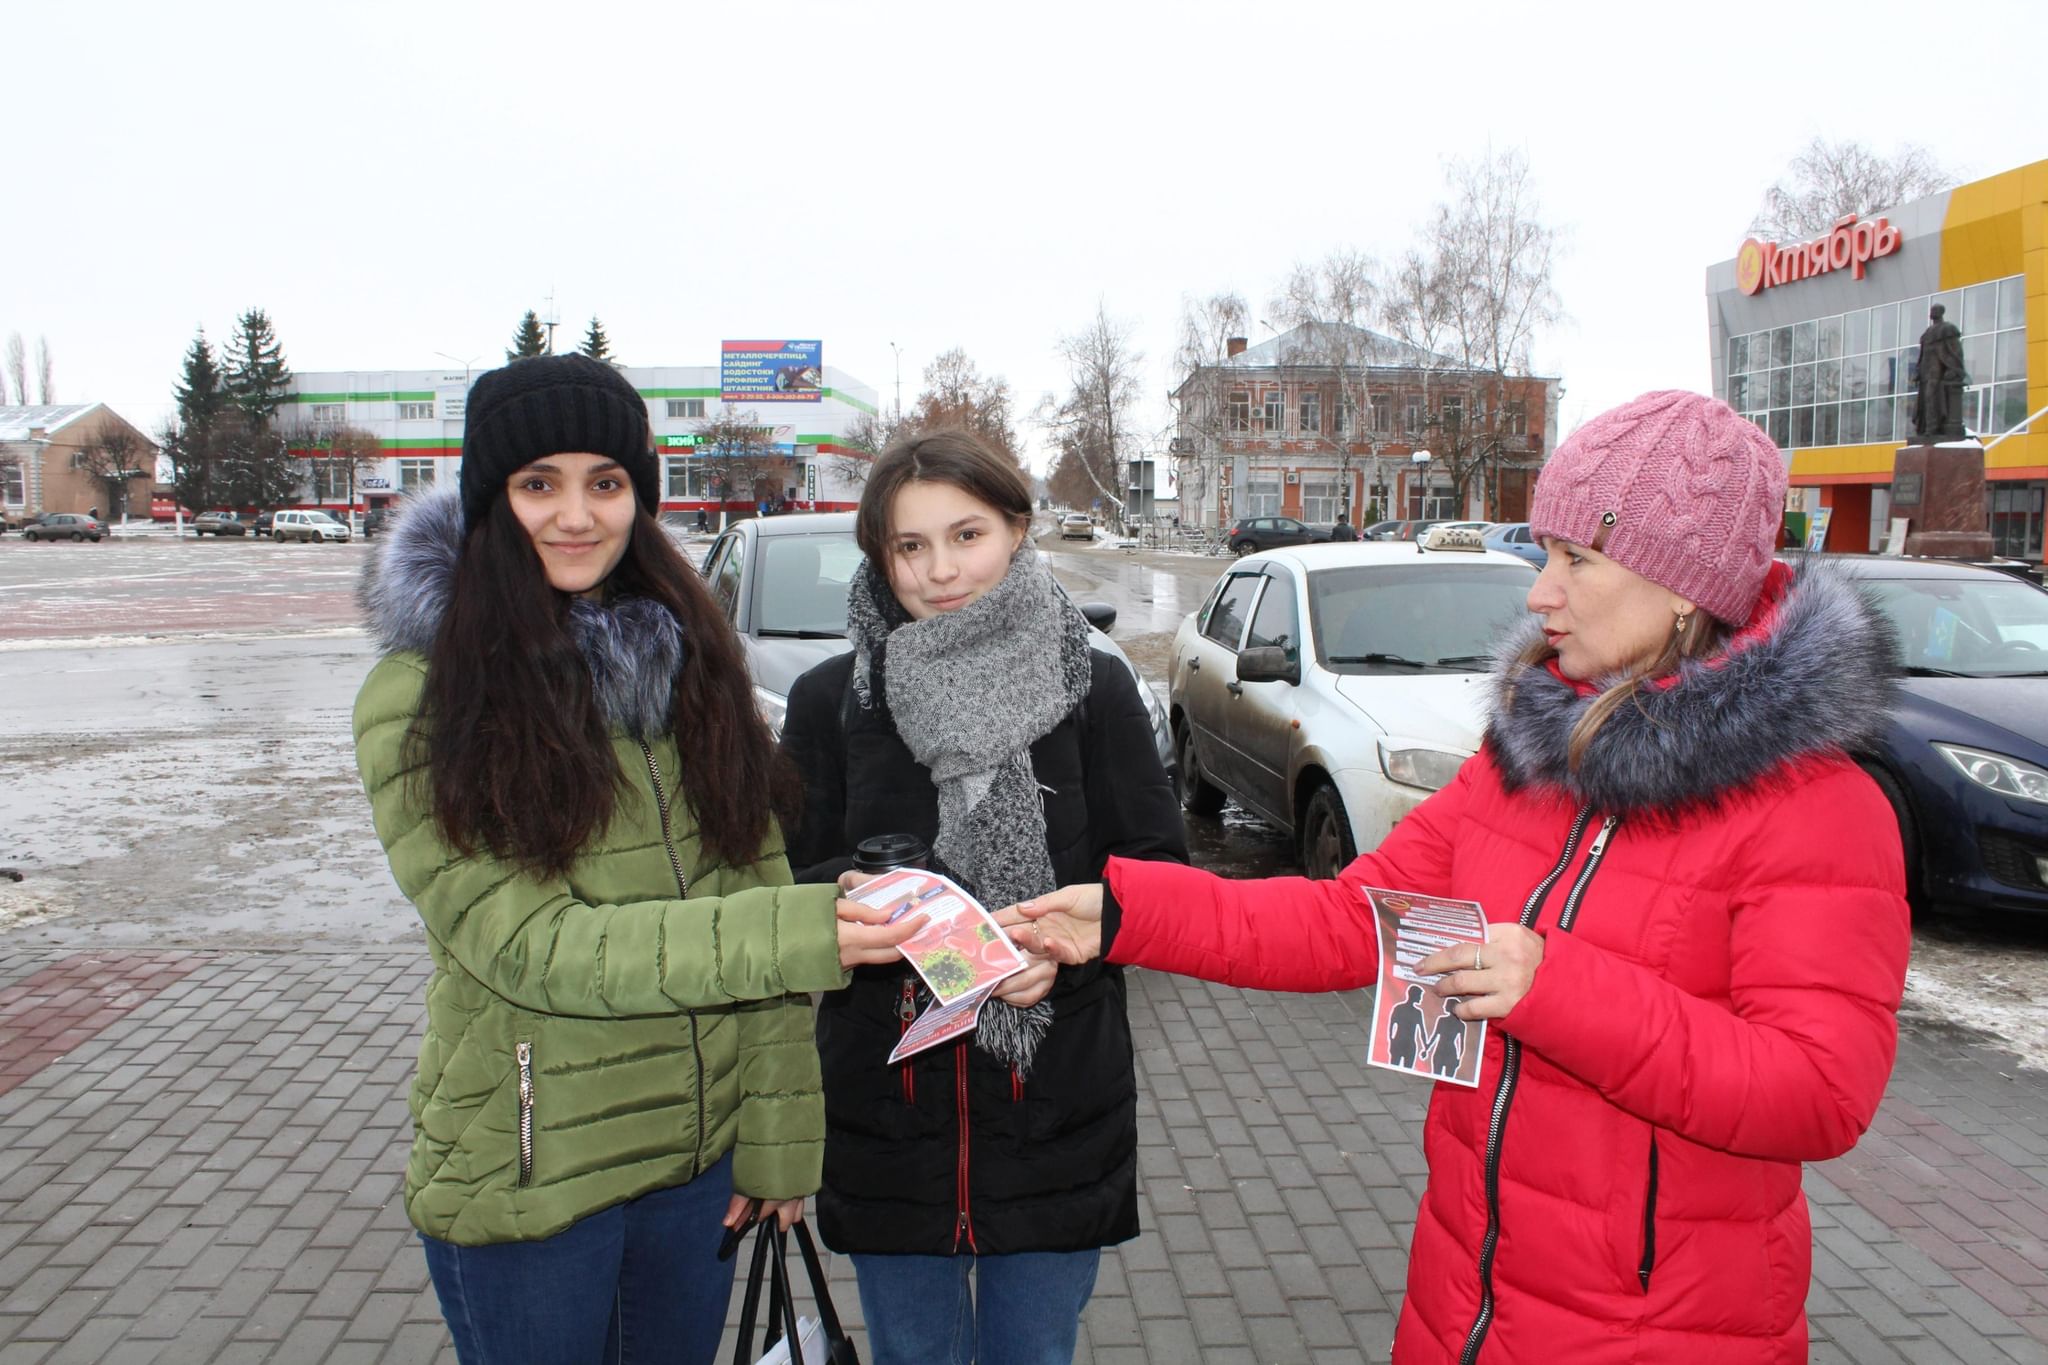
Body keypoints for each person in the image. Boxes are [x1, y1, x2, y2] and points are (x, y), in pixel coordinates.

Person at [1008, 390, 1912, 1364]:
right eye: (1545, 554)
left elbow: (1817, 1093)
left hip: (1664, 1330)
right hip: (1465, 1302)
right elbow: (1349, 923)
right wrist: (1124, 912)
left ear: (1681, 585)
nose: (1537, 593)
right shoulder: (1524, 763)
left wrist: (1555, 987)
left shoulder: (1813, 809)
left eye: (1577, 560)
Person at [351, 354, 918, 1365]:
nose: (576, 516)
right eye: (539, 484)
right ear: (490, 501)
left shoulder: (688, 666)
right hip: (534, 1176)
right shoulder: (421, 697)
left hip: (693, 1178)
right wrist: (799, 930)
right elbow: (534, 948)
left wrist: (778, 1142)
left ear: (639, 498)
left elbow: (755, 902)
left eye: (604, 483)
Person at [780, 429, 1188, 1365]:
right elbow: (783, 892)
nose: (940, 570)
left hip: (1054, 1113)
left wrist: (1067, 945)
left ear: (1016, 528)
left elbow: (1157, 877)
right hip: (888, 1121)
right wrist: (840, 909)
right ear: (881, 559)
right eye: (910, 546)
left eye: (966, 535)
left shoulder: (1093, 691)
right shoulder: (833, 702)